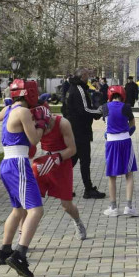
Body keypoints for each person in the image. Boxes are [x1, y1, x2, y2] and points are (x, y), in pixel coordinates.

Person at [0, 79, 48, 277]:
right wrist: (41, 122)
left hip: (6, 164)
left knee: (18, 210)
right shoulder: (23, 112)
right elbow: (34, 139)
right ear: (29, 94)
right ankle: (19, 254)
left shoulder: (8, 109)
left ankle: (4, 250)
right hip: (18, 164)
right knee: (36, 210)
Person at [29, 100, 85, 240]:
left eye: (45, 125)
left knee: (66, 205)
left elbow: (72, 150)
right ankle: (22, 234)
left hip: (62, 162)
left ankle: (78, 222)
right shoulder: (32, 122)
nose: (44, 130)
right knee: (29, 202)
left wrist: (56, 158)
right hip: (42, 163)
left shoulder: (63, 123)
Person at [63, 68, 106, 199]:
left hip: (74, 128)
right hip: (80, 130)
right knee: (84, 160)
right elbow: (85, 109)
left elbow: (66, 108)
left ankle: (64, 188)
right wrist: (99, 111)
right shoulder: (79, 89)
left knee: (72, 160)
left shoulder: (71, 88)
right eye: (87, 75)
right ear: (82, 76)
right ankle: (88, 189)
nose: (88, 77)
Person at [100, 85, 139, 217]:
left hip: (111, 142)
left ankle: (113, 208)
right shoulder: (126, 107)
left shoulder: (105, 107)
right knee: (129, 174)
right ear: (122, 96)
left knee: (112, 176)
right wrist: (127, 131)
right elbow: (133, 124)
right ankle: (128, 207)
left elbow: (106, 122)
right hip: (125, 142)